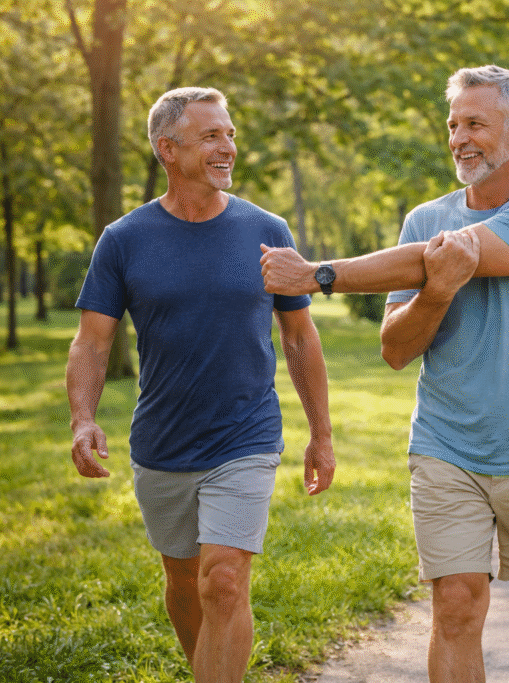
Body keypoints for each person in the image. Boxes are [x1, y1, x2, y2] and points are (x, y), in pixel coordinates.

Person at [261, 65, 509, 683]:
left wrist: (317, 275)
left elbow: (451, 255)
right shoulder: (423, 218)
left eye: (476, 124)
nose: (459, 138)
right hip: (446, 446)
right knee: (456, 604)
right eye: (453, 124)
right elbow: (395, 349)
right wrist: (435, 294)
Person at [66, 87, 336, 683]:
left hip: (246, 434)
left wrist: (321, 433)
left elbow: (298, 337)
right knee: (185, 583)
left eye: (230, 134)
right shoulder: (124, 239)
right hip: (162, 441)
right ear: (168, 149)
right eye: (211, 136)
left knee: (224, 580)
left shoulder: (266, 229)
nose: (228, 147)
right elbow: (92, 342)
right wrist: (83, 418)